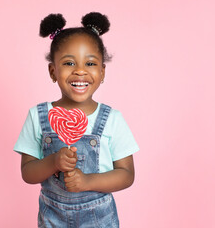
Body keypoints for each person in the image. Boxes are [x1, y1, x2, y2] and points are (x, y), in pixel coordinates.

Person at [14, 12, 140, 228]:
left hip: (99, 218)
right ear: (53, 71)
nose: (80, 71)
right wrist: (53, 161)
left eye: (90, 64)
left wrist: (88, 181)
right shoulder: (38, 116)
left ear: (102, 72)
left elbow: (127, 174)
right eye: (69, 63)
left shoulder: (112, 119)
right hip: (53, 216)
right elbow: (28, 172)